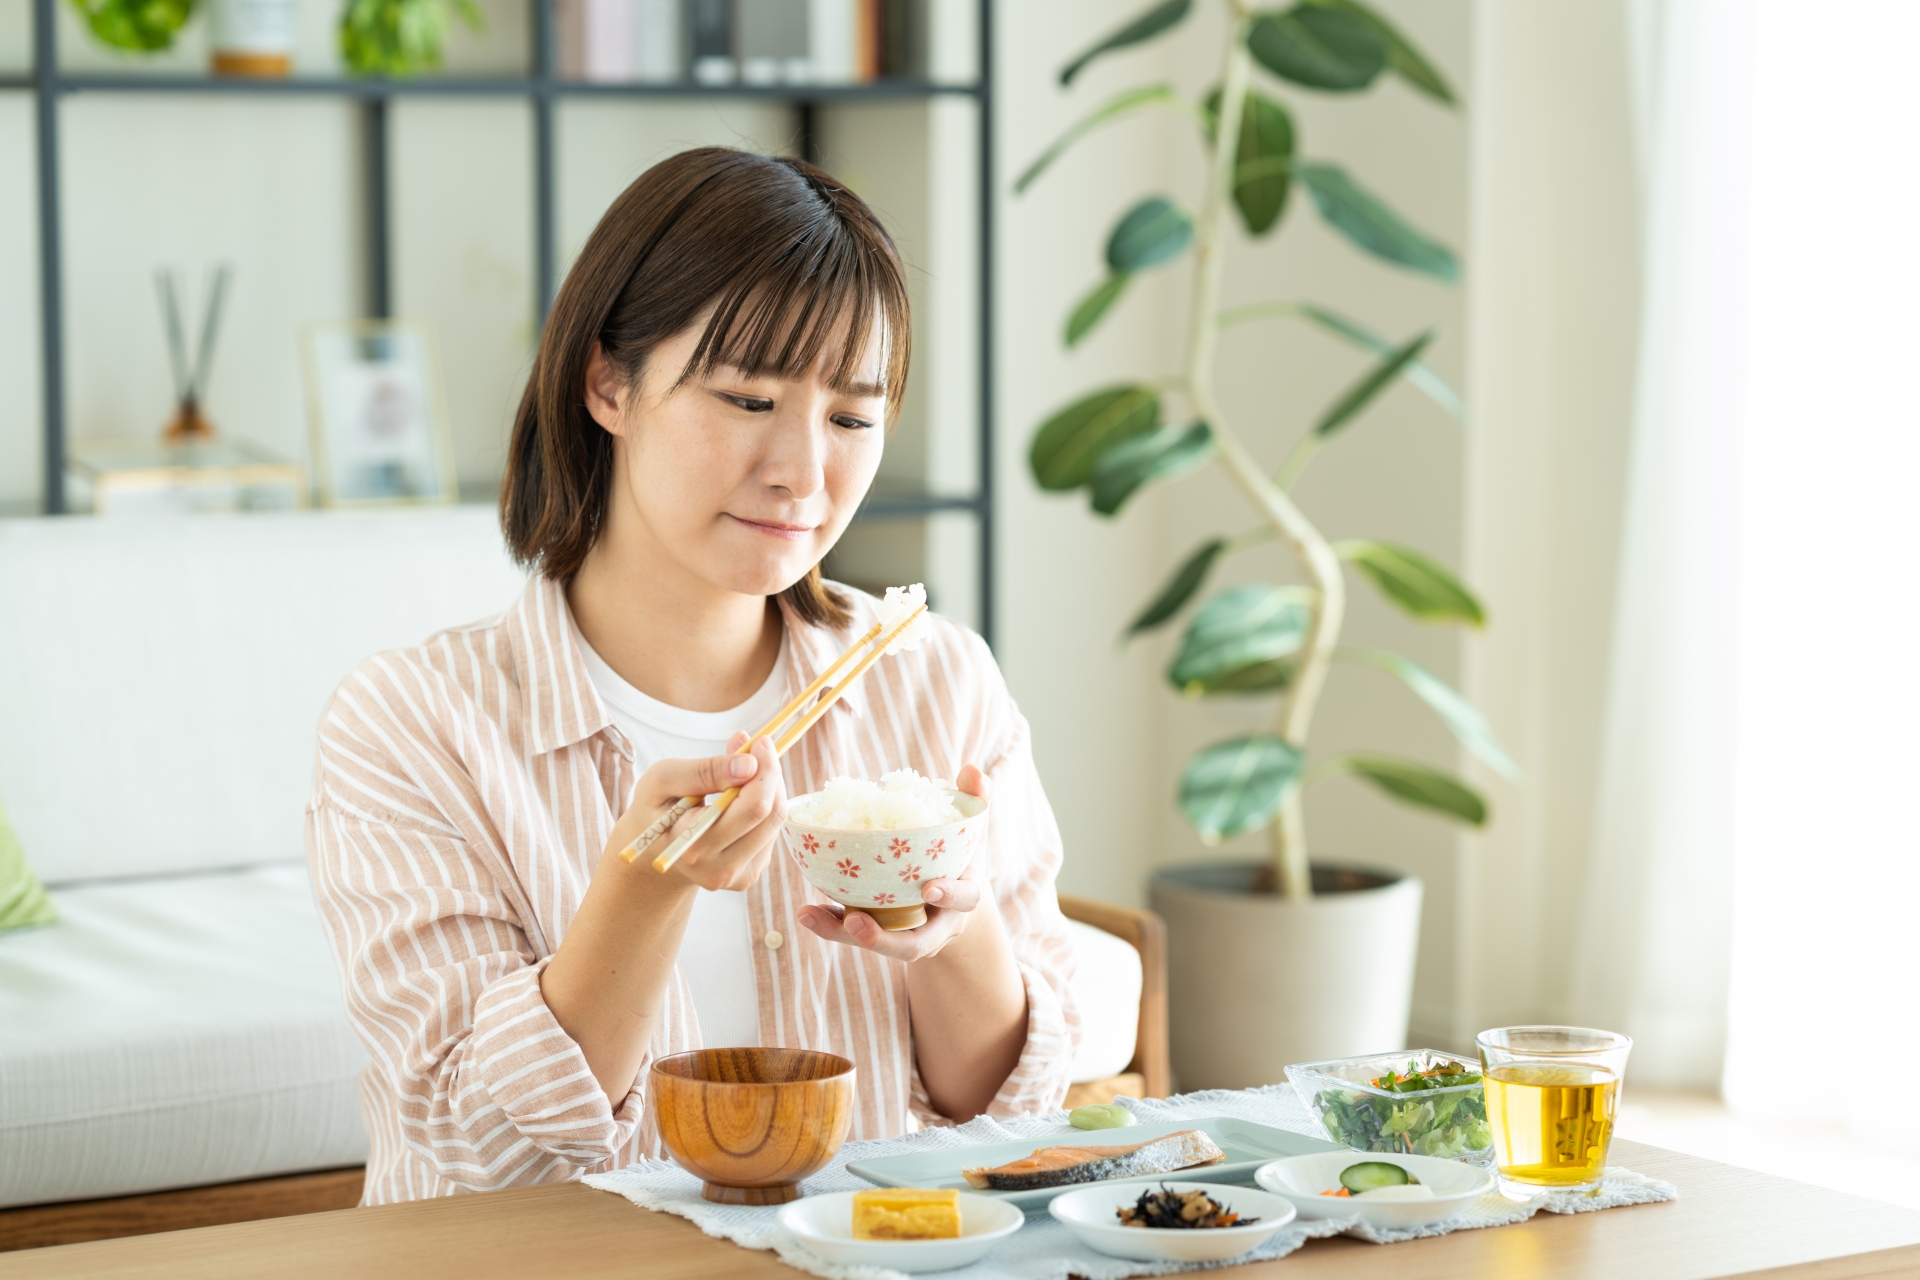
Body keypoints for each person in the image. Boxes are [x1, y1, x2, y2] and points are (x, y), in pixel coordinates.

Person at [305, 147, 1079, 1205]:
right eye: (749, 399)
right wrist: (642, 887)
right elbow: (471, 1159)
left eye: (852, 418)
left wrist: (953, 921)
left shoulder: (935, 683)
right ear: (608, 382)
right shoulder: (412, 724)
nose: (805, 471)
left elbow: (1023, 1121)